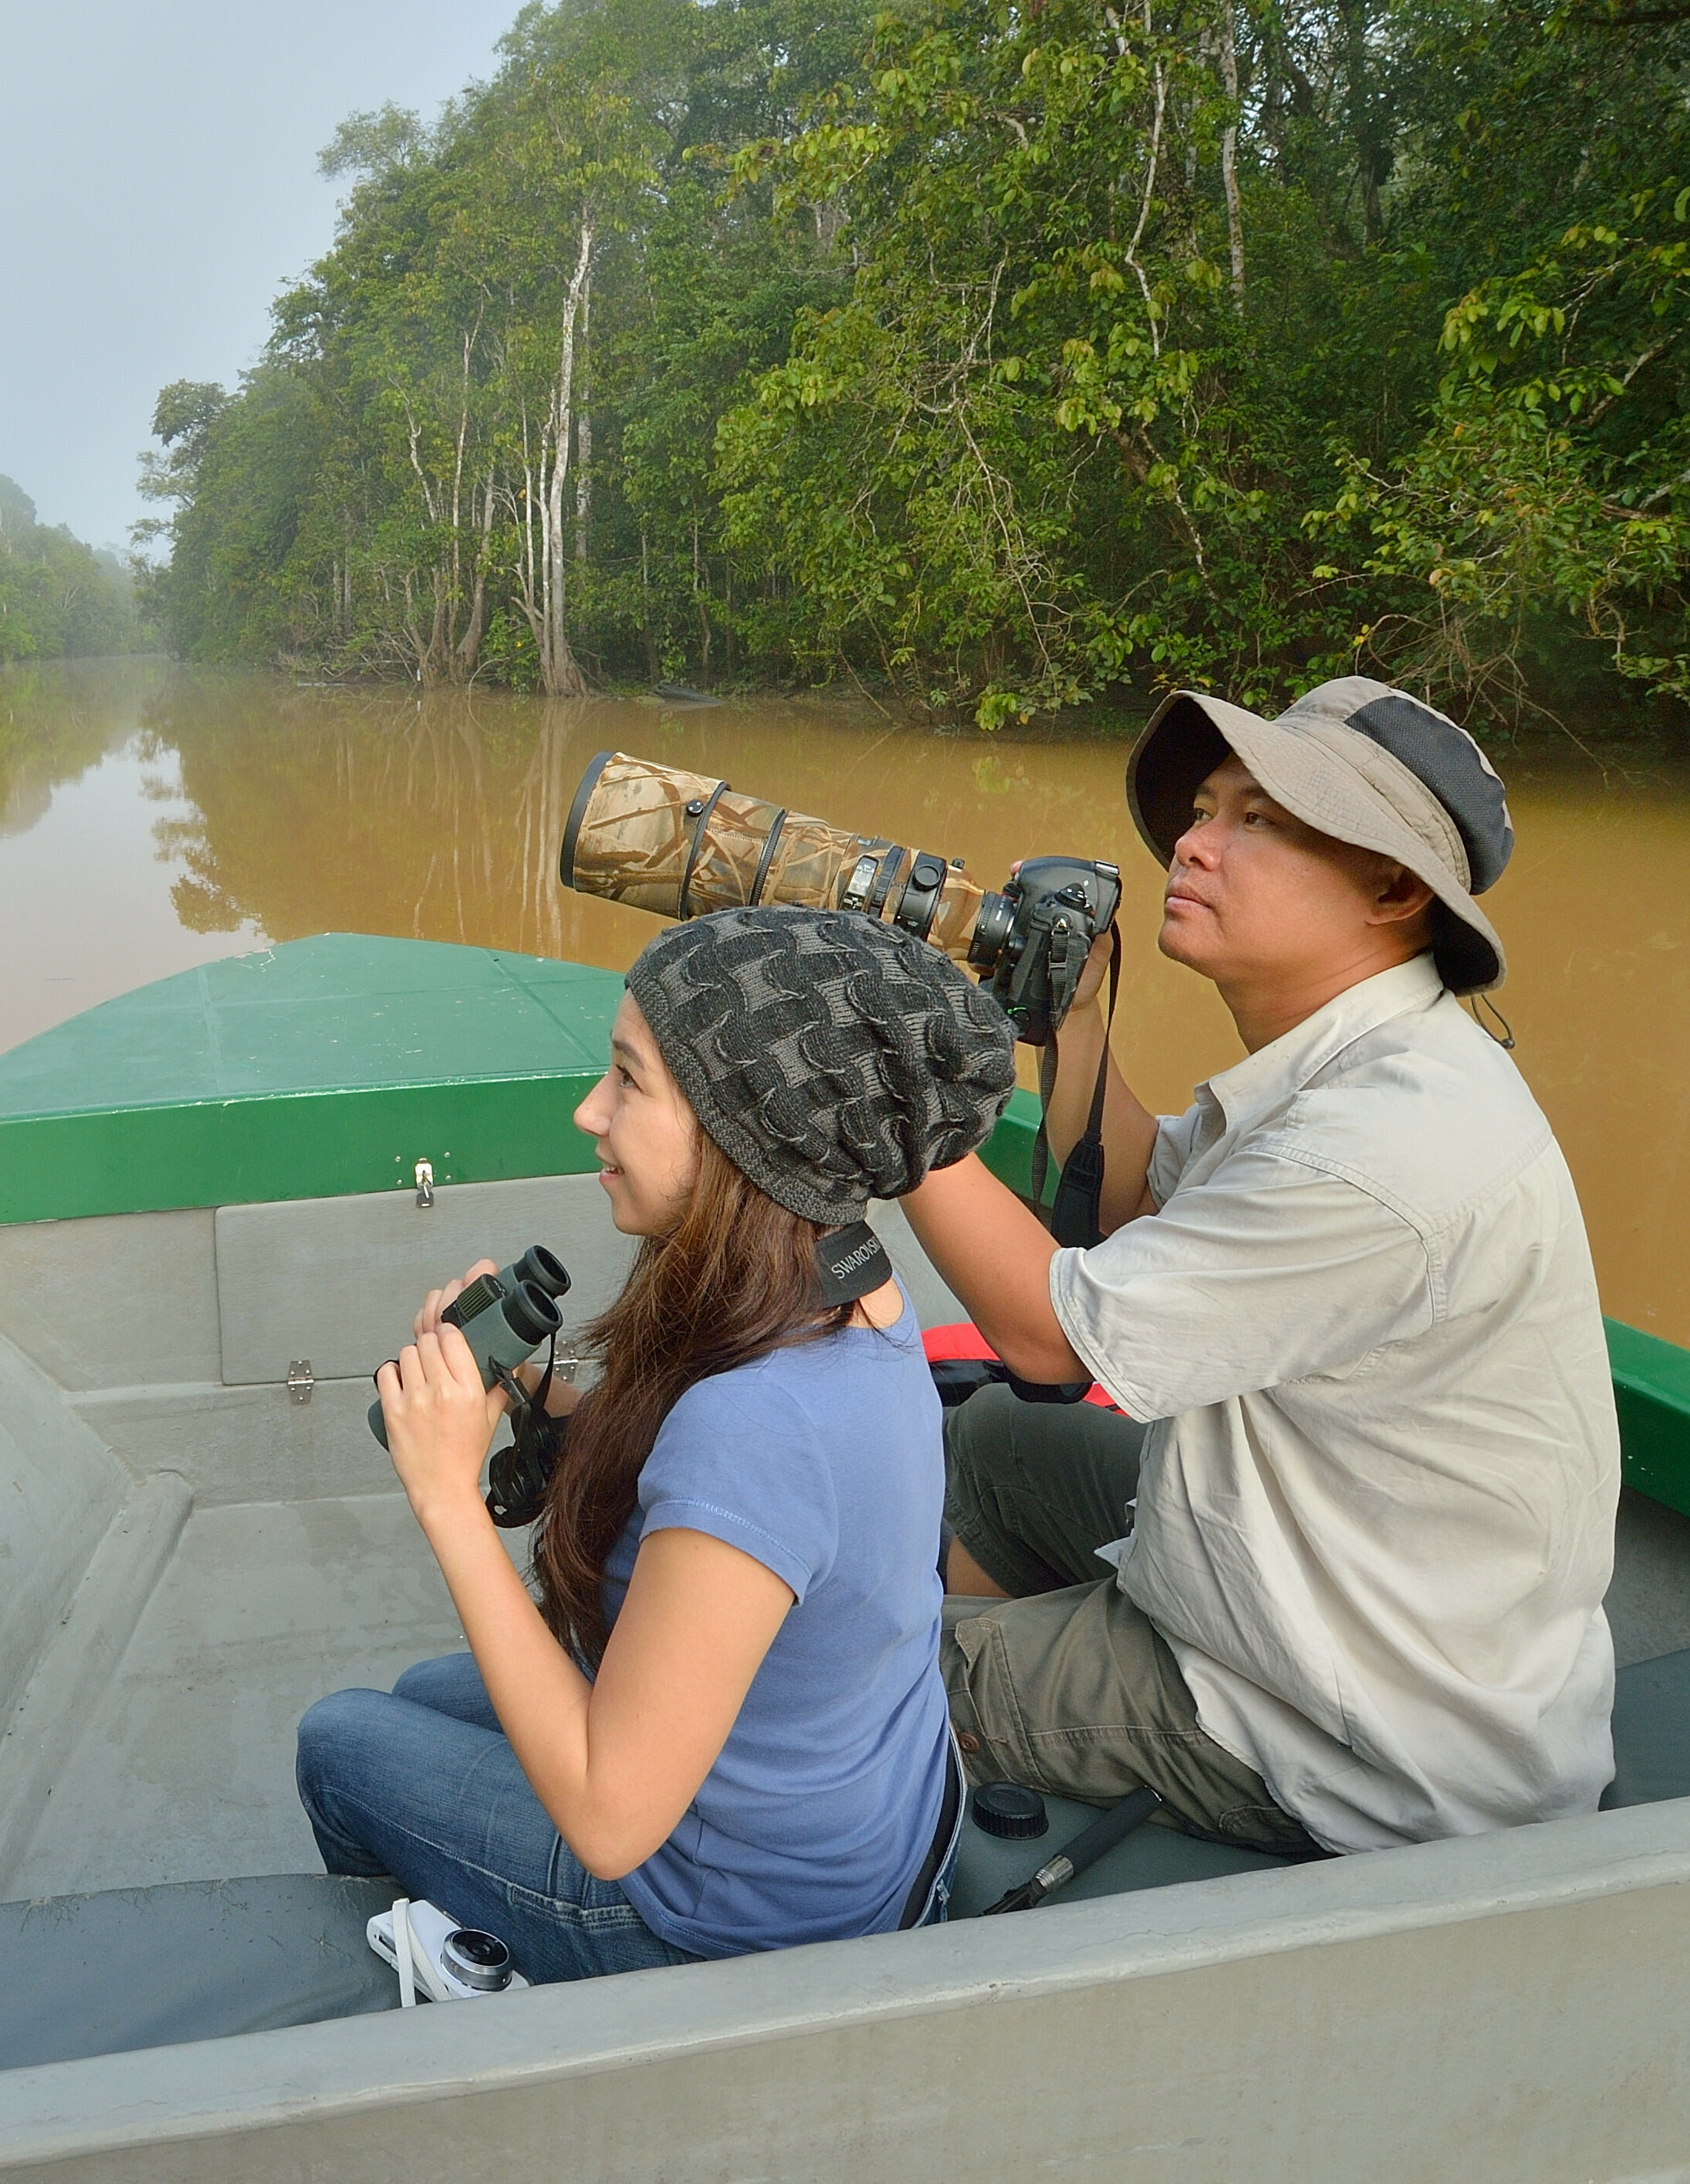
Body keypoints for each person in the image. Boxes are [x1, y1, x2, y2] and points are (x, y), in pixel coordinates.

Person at [898, 677, 1617, 1857]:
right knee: (995, 1444)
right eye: (1201, 807)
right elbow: (1126, 1208)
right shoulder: (1356, 1062)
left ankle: (948, 1715)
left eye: (1257, 820)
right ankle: (998, 1704)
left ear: (1393, 889)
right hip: (1339, 1594)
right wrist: (1075, 1012)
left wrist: (862, 1086)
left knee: (820, 1676)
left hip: (1350, 1729)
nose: (1191, 840)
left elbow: (1048, 1338)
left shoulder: (1379, 1149)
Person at [296, 908, 1020, 1980]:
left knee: (341, 1737)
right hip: (862, 1831)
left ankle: (468, 1980)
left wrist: (447, 1494)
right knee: (423, 1693)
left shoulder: (760, 1422)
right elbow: (747, 1496)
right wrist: (539, 1392)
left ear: (748, 1128)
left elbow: (609, 1818)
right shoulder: (850, 1281)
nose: (590, 1110)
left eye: (629, 1080)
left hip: (734, 1913)